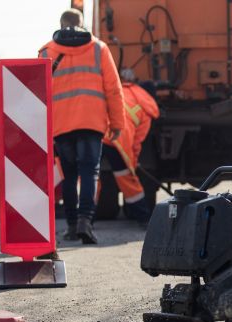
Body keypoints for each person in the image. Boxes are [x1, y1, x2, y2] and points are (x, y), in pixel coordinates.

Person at [40, 8, 124, 244]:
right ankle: (86, 222)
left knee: (69, 176)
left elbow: (39, 94)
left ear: (61, 23)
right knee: (89, 173)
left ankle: (71, 225)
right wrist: (117, 123)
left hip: (61, 126)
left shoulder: (46, 52)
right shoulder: (99, 49)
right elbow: (114, 89)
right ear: (82, 23)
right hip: (91, 123)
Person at [101, 69, 159, 226]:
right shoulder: (147, 110)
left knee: (91, 177)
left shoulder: (124, 91)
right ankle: (143, 217)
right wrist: (133, 162)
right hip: (116, 139)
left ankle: (85, 220)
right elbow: (136, 143)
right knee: (127, 178)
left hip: (97, 132)